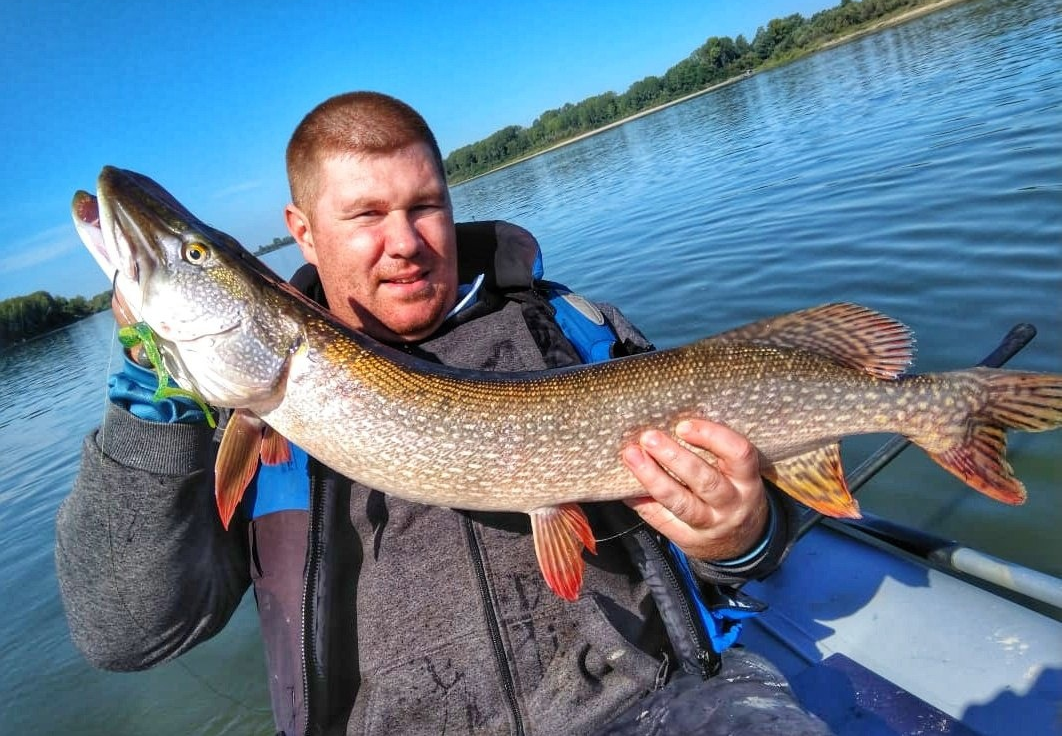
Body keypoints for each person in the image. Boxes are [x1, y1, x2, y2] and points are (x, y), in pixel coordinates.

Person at [56, 91, 830, 736]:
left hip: (662, 701)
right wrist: (148, 395)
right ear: (301, 231)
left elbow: (759, 533)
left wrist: (741, 533)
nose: (406, 243)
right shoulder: (234, 429)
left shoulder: (577, 333)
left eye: (425, 205)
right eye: (365, 215)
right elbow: (125, 631)